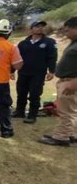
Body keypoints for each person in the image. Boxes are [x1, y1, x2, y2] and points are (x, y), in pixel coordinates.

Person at [38, 17, 77, 146]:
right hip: (68, 80)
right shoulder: (74, 42)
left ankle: (61, 137)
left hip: (71, 82)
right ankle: (71, 134)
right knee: (71, 110)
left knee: (65, 111)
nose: (65, 33)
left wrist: (74, 83)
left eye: (67, 30)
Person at [13, 21, 58, 124]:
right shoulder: (23, 43)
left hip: (38, 73)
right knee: (21, 93)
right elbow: (17, 58)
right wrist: (12, 71)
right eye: (37, 26)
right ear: (31, 29)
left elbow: (52, 57)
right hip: (23, 72)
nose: (40, 28)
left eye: (42, 27)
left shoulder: (49, 42)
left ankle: (32, 115)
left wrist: (51, 71)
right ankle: (19, 112)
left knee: (34, 94)